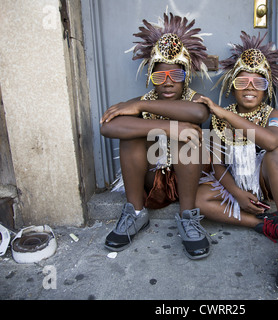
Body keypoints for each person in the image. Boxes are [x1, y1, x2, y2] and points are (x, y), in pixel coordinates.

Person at [194, 31, 278, 293]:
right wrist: (236, 194)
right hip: (236, 183)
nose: (249, 87)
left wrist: (223, 111)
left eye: (257, 82)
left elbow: (271, 141)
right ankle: (266, 224)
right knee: (196, 199)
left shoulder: (274, 114)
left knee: (277, 155)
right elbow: (217, 164)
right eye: (242, 81)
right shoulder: (218, 120)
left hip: (267, 182)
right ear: (232, 86)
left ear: (267, 87)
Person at [100, 13, 211, 260]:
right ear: (151, 78)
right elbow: (107, 127)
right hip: (154, 182)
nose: (168, 83)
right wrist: (168, 127)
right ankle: (135, 214)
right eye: (160, 77)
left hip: (188, 183)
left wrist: (143, 108)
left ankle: (188, 218)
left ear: (186, 78)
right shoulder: (141, 102)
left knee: (189, 140)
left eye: (176, 76)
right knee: (131, 137)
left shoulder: (190, 99)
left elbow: (199, 113)